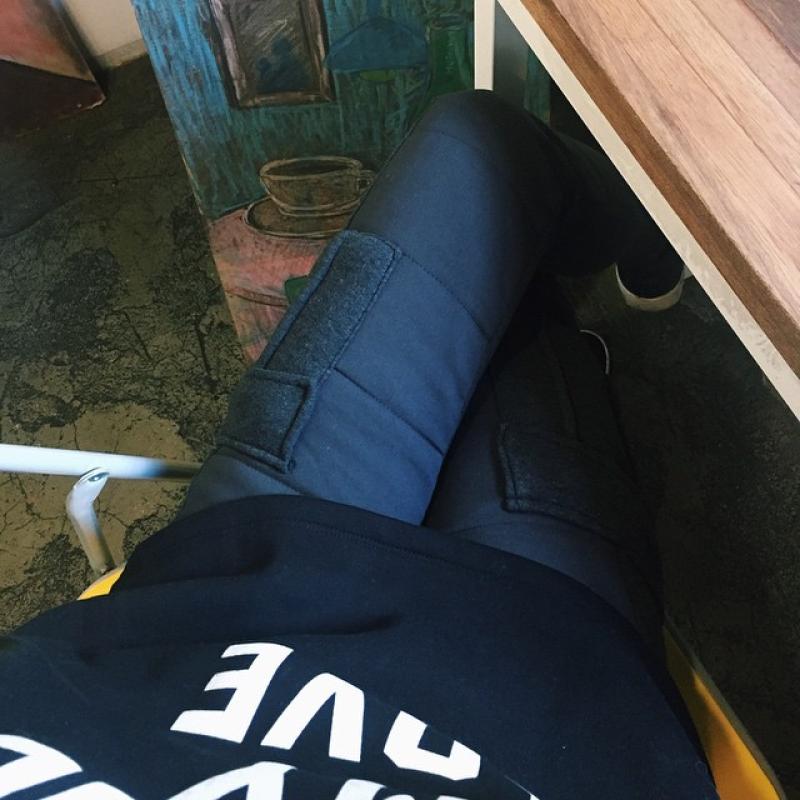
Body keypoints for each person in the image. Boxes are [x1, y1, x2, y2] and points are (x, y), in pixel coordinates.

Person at [0, 91, 716, 800]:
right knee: (515, 322)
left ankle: (645, 244)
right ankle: (597, 320)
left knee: (482, 155)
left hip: (226, 590)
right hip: (528, 677)